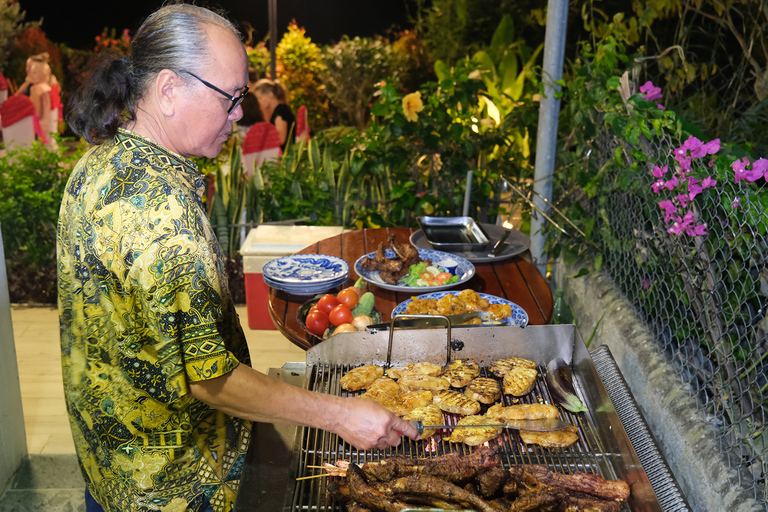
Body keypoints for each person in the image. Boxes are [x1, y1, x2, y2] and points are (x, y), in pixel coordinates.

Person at [58, 4, 418, 512]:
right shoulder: (164, 223)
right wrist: (341, 415)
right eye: (229, 98)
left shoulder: (99, 161)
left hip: (110, 468)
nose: (238, 115)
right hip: (179, 487)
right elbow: (213, 380)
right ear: (168, 89)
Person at [253, 78, 295, 152]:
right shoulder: (279, 110)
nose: (258, 102)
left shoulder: (281, 110)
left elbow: (280, 138)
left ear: (270, 95)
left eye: (260, 98)